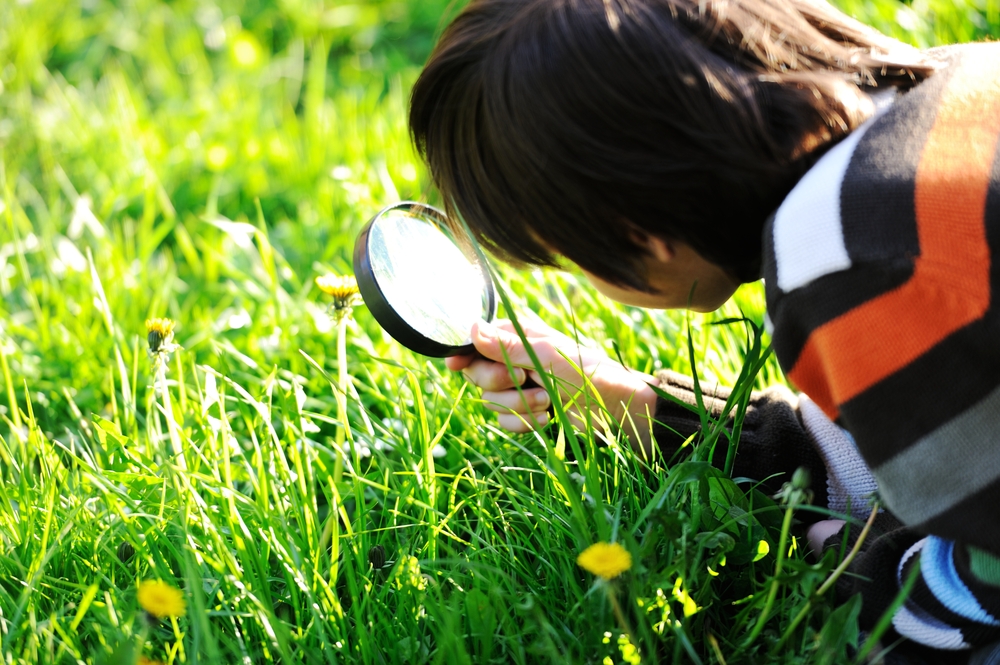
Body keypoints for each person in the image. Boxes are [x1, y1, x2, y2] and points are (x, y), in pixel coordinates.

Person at [407, 0, 1000, 660]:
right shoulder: (961, 87)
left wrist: (851, 580)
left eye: (571, 257)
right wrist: (639, 409)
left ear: (638, 235)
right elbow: (928, 437)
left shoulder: (848, 258)